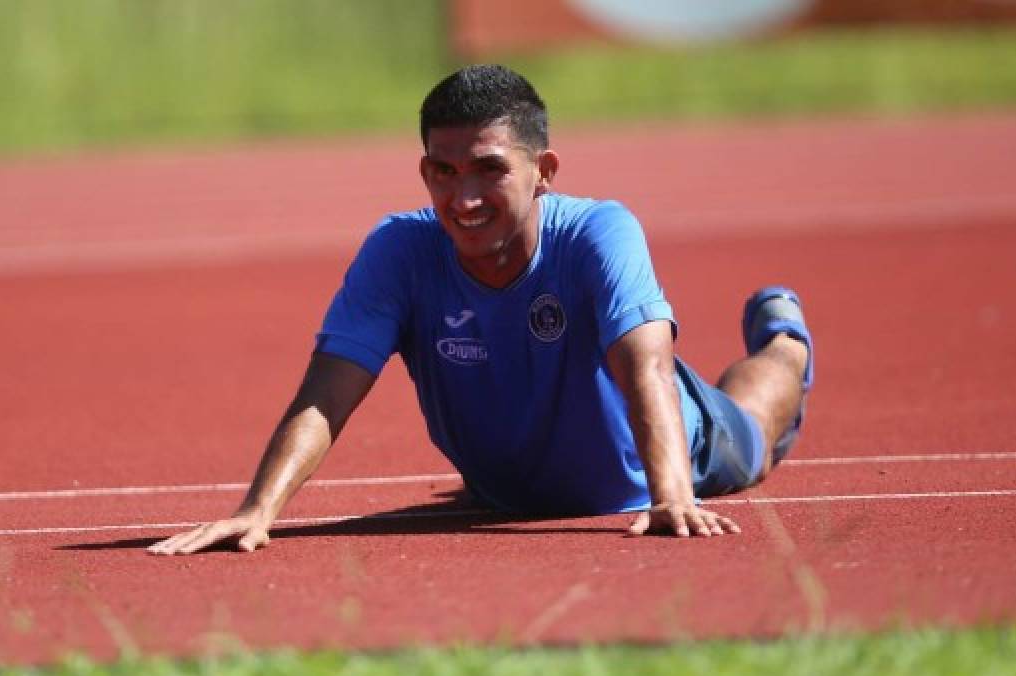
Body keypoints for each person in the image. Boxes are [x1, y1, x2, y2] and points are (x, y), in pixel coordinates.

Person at [149, 64, 813, 556]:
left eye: (488, 169)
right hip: (508, 488)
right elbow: (327, 392)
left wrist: (672, 495)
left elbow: (646, 369)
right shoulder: (400, 251)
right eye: (444, 171)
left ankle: (785, 338)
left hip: (670, 452)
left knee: (753, 424)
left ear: (544, 170)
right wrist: (259, 509)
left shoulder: (598, 232)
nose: (463, 197)